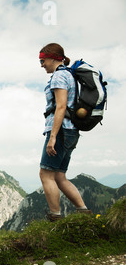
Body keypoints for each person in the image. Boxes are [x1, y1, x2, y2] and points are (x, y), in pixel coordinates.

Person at [39, 43, 92, 222]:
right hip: (71, 130)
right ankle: (84, 212)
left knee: (45, 174)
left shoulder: (59, 76)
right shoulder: (69, 75)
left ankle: (55, 216)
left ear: (53, 58)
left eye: (43, 60)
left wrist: (52, 136)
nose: (42, 64)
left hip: (60, 131)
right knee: (59, 175)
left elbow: (61, 106)